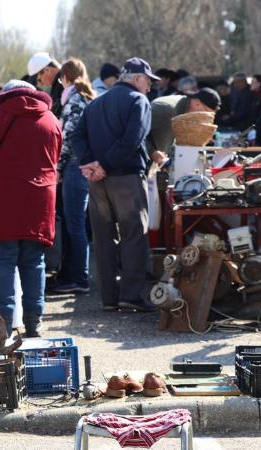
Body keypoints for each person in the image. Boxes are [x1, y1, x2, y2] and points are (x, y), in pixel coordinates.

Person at [0, 79, 62, 336]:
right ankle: (33, 323)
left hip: (6, 201)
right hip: (39, 202)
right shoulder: (50, 119)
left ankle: (2, 326)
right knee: (34, 262)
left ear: (6, 94)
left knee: (3, 262)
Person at [73, 57, 157, 313]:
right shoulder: (138, 101)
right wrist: (104, 165)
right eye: (148, 81)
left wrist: (91, 165)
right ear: (137, 78)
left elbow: (77, 135)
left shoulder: (96, 102)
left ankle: (109, 298)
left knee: (103, 237)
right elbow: (133, 140)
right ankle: (131, 295)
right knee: (134, 235)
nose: (149, 88)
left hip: (97, 182)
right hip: (126, 178)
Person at [52, 58, 96, 295]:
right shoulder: (87, 97)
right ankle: (73, 275)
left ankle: (79, 278)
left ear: (65, 78)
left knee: (75, 223)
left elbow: (68, 138)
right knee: (74, 222)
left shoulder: (74, 100)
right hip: (81, 167)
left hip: (74, 167)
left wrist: (58, 166)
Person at [146, 87, 221, 162]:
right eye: (206, 114)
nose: (206, 119)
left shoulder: (185, 106)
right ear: (197, 103)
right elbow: (136, 134)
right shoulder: (167, 111)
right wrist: (152, 152)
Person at [26, 51, 63, 117]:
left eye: (39, 79)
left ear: (47, 70)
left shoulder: (64, 83)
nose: (41, 84)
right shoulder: (59, 83)